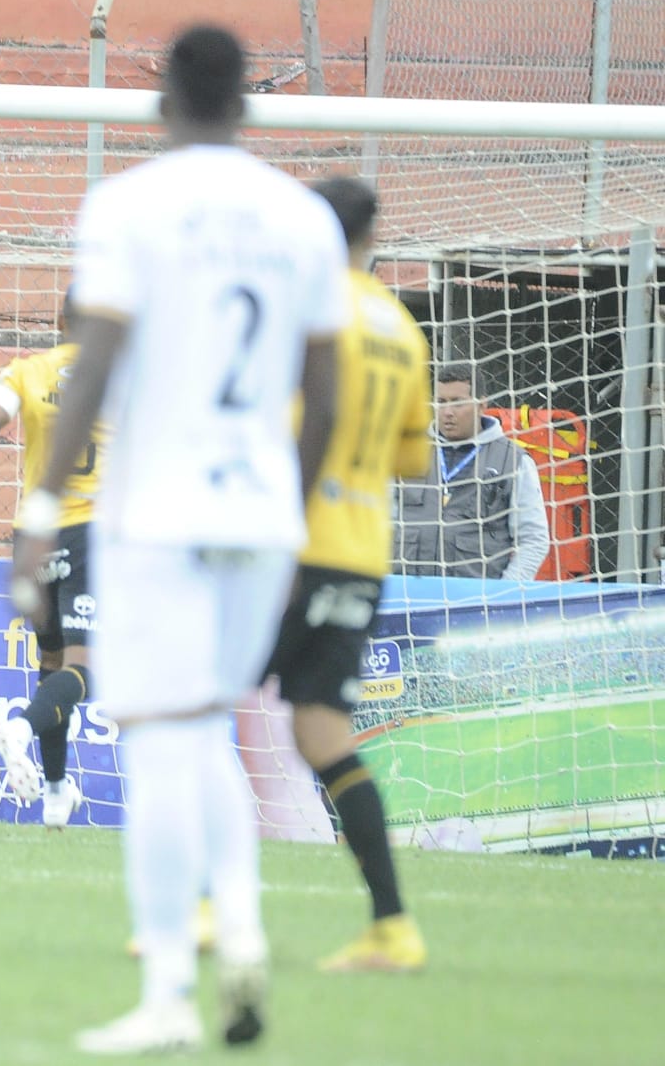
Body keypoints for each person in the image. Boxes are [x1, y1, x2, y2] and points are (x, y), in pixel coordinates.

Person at [9, 25, 345, 1055]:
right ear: (249, 103)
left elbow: (93, 364)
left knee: (163, 736)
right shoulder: (301, 217)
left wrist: (35, 512)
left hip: (154, 509)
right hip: (259, 512)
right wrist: (287, 498)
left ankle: (167, 990)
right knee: (206, 722)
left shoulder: (129, 206)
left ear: (163, 102)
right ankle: (239, 927)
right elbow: (324, 392)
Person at [262, 175, 431, 971]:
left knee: (180, 704)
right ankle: (391, 925)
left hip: (291, 544)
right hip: (363, 549)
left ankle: (198, 909)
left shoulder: (304, 308)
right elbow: (413, 455)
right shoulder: (402, 326)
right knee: (320, 730)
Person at [0, 288, 103, 829]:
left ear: (61, 320)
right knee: (82, 669)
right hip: (92, 532)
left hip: (32, 536)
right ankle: (21, 729)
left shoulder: (25, 371)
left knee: (52, 661)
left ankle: (56, 791)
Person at [394, 364, 549, 580]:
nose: (447, 412)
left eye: (458, 403)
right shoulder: (407, 452)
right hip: (408, 594)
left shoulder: (512, 460)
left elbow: (534, 539)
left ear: (481, 406)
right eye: (441, 402)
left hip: (475, 600)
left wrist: (504, 593)